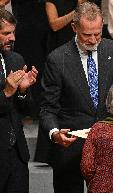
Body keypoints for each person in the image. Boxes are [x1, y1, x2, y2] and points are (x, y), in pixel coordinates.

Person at [38, 2, 113, 193]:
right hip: (70, 149)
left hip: (107, 147)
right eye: (87, 35)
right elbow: (48, 108)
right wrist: (54, 133)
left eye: (98, 33)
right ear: (74, 27)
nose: (94, 39)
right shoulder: (57, 59)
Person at [0, 8, 38, 193]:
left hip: (17, 155)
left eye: (13, 32)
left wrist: (23, 91)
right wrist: (6, 92)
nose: (13, 37)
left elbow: (26, 110)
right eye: (6, 33)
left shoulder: (16, 60)